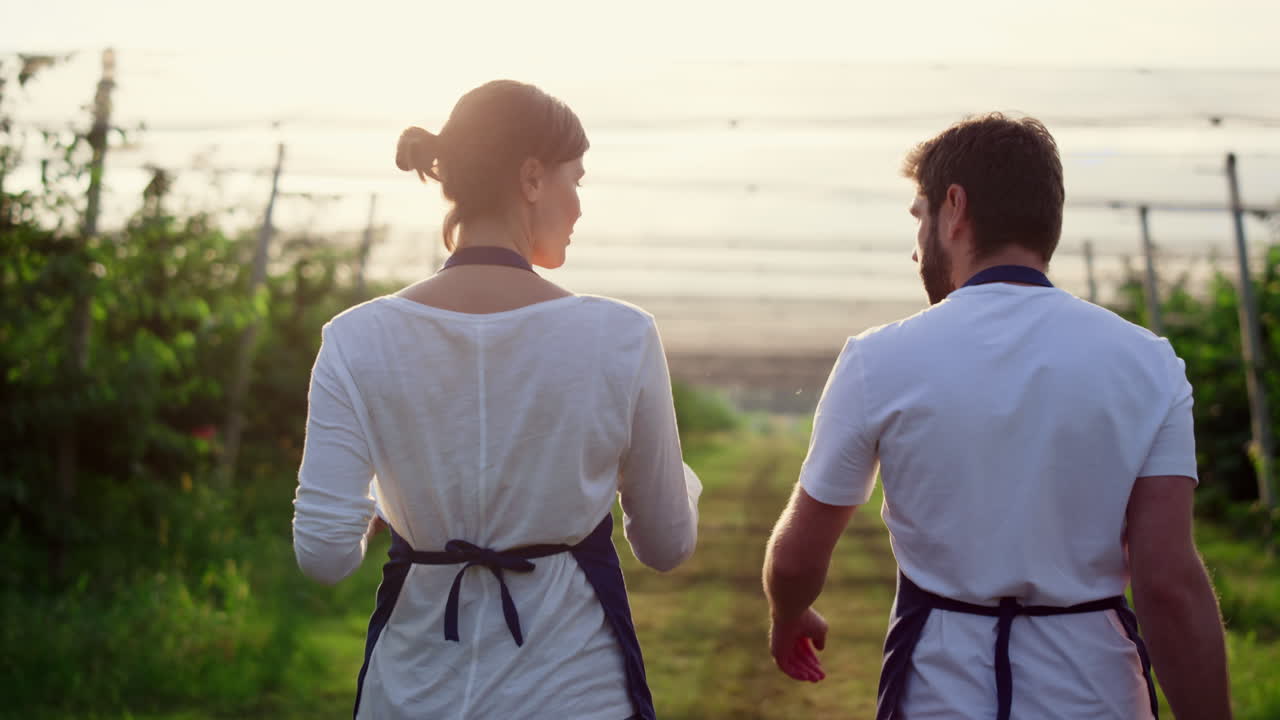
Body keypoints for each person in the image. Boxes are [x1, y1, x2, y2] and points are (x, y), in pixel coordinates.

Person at [762, 113, 1232, 719]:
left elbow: (799, 558)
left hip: (943, 694)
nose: (915, 249)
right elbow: (1168, 583)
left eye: (919, 217)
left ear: (954, 208)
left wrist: (788, 612)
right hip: (1098, 694)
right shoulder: (1149, 362)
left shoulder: (879, 358)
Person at [292, 79, 701, 720]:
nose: (580, 206)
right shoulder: (620, 335)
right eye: (578, 179)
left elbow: (323, 554)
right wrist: (672, 477)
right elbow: (666, 544)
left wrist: (408, 495)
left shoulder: (355, 337)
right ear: (532, 178)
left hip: (411, 693)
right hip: (572, 691)